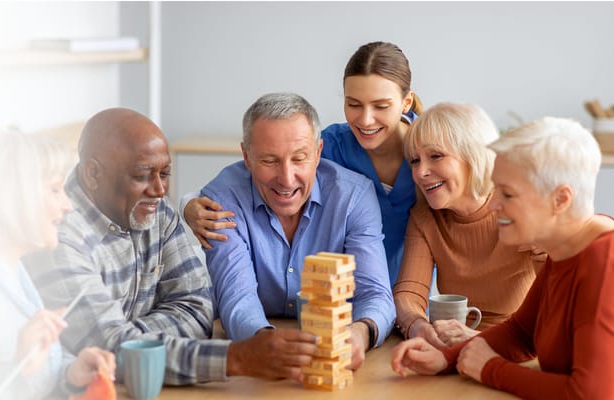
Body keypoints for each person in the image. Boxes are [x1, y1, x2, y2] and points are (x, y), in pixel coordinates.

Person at [28, 107, 322, 385]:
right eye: (142, 176)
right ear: (93, 175)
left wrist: (131, 340)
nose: (160, 190)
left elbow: (198, 309)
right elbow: (107, 352)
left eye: (165, 174)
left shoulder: (153, 208)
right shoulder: (56, 236)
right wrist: (235, 359)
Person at [391, 117, 614, 399]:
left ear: (560, 200)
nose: (494, 204)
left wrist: (490, 369)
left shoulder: (603, 263)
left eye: (507, 194)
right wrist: (445, 359)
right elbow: (521, 334)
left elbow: (590, 395)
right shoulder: (565, 252)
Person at [184, 41, 422, 286]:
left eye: (381, 106)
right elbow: (255, 170)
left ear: (406, 102)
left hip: (411, 300)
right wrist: (188, 205)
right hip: (342, 302)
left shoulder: (432, 148)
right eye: (353, 104)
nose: (365, 119)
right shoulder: (329, 146)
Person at [200, 93, 395, 370]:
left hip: (337, 354)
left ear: (318, 153)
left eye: (300, 159)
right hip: (254, 360)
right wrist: (267, 345)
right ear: (246, 156)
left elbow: (375, 293)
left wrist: (361, 333)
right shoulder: (221, 200)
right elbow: (236, 297)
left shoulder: (354, 196)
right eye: (269, 161)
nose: (287, 178)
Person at [0, 132, 115, 400]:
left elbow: (35, 370)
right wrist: (18, 369)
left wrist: (70, 373)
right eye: (54, 189)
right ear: (14, 198)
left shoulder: (11, 268)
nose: (68, 205)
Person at [394, 102, 541, 348]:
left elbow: (561, 305)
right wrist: (418, 326)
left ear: (473, 155)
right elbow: (409, 293)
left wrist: (484, 341)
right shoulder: (425, 219)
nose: (420, 172)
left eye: (436, 156)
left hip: (520, 348)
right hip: (453, 348)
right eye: (415, 161)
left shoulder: (523, 206)